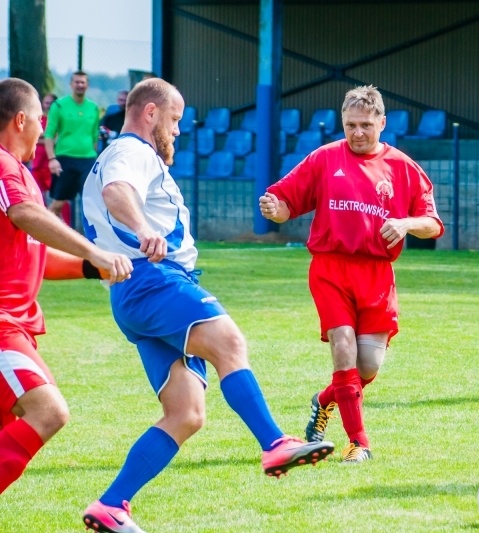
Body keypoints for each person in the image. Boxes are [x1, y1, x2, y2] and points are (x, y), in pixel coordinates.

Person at [80, 78, 333, 532]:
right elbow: (118, 192)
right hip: (153, 279)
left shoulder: (127, 154)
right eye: (174, 120)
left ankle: (112, 504)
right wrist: (143, 228)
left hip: (134, 292)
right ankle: (274, 441)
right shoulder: (131, 151)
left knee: (187, 413)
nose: (177, 131)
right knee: (229, 341)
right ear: (151, 112)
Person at [259, 85, 444, 464]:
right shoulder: (324, 158)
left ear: (382, 122)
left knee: (368, 366)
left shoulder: (404, 167)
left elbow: (433, 224)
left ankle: (324, 400)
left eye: (365, 125)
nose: (357, 133)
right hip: (330, 268)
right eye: (350, 125)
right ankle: (358, 443)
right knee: (343, 348)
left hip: (376, 274)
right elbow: (285, 202)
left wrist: (407, 223)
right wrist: (273, 208)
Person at [0, 77, 133, 495]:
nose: (44, 130)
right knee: (49, 411)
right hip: (2, 327)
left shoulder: (18, 173)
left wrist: (94, 268)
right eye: (41, 119)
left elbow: (36, 256)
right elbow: (24, 214)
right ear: (22, 120)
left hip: (17, 326)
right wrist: (94, 252)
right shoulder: (4, 166)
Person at [43, 71, 100, 226]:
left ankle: (87, 243)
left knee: (90, 204)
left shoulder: (94, 108)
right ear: (71, 84)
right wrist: (52, 159)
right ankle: (42, 237)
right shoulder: (59, 105)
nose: (80, 85)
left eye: (83, 82)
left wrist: (95, 158)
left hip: (87, 161)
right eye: (77, 82)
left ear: (87, 84)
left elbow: (95, 137)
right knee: (58, 204)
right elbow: (49, 134)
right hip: (64, 160)